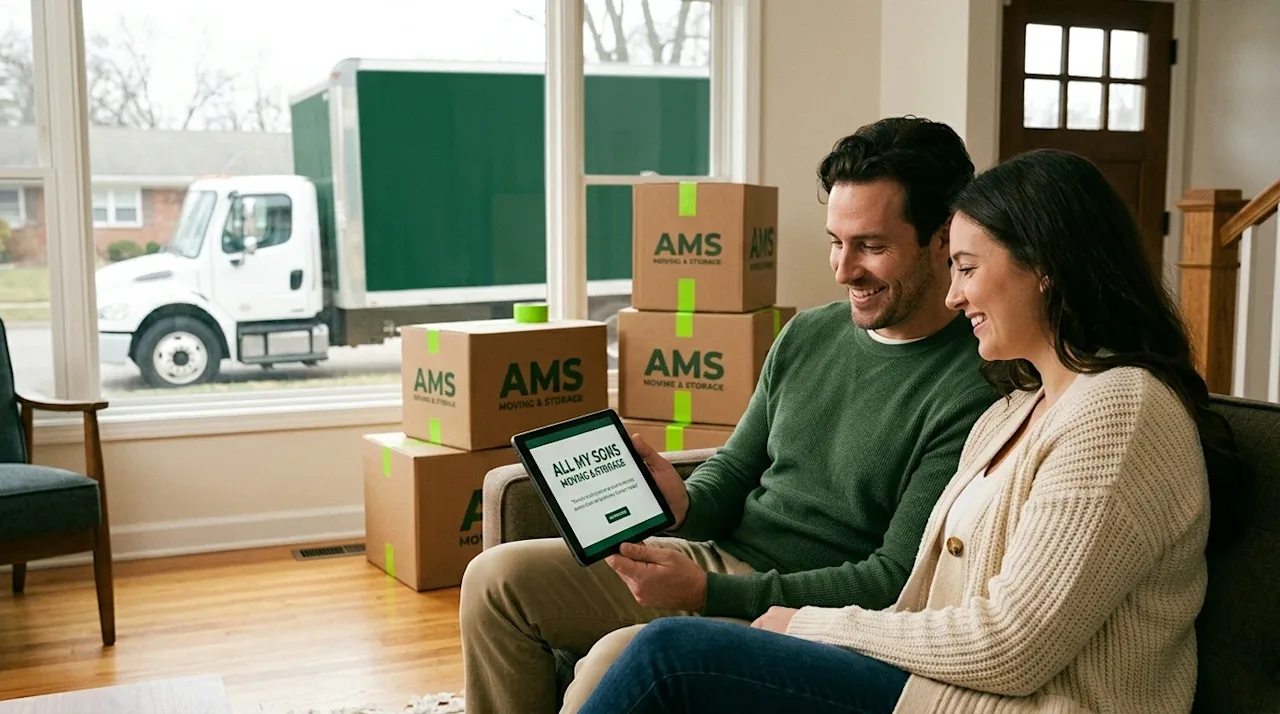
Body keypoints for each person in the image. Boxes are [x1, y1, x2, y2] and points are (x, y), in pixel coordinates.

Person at [576, 148, 1245, 714]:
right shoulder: (1016, 407)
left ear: (1045, 267)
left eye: (967, 267)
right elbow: (926, 599)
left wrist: (805, 624)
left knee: (667, 655)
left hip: (1008, 702)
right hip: (935, 685)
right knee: (655, 650)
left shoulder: (1118, 411)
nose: (954, 296)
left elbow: (1012, 646)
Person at [458, 117, 999, 714]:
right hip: (719, 562)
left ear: (943, 237)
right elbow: (737, 466)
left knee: (610, 663)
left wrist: (709, 592)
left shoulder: (974, 387)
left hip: (808, 614)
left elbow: (893, 578)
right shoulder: (809, 333)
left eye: (871, 247)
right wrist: (683, 502)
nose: (844, 271)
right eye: (835, 242)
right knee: (495, 579)